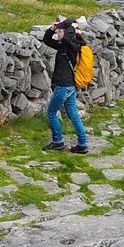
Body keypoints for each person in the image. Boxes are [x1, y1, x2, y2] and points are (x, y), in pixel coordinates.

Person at [40, 17, 89, 154]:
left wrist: (71, 27)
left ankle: (58, 141)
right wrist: (52, 29)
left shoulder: (71, 45)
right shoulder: (65, 45)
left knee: (50, 113)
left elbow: (67, 38)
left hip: (63, 86)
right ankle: (82, 144)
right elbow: (47, 40)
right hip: (69, 86)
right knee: (73, 115)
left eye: (60, 32)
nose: (58, 34)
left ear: (67, 32)